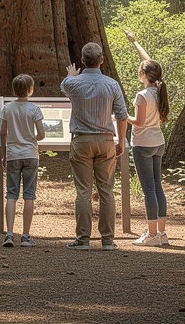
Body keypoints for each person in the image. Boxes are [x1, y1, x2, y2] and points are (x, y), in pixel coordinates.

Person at [60, 41, 128, 250]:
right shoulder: (112, 84)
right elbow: (122, 116)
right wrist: (121, 141)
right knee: (106, 190)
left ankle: (82, 239)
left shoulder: (73, 84)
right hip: (106, 140)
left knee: (83, 191)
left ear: (82, 60)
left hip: (81, 140)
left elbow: (65, 85)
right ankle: (107, 239)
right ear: (102, 60)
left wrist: (72, 74)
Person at [124, 29, 170, 246]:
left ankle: (151, 235)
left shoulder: (142, 96)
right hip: (158, 142)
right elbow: (150, 63)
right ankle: (161, 233)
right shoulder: (159, 90)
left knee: (148, 189)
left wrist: (123, 116)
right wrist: (135, 42)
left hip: (142, 144)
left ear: (143, 75)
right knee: (158, 187)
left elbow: (139, 122)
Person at [0, 73, 46, 248]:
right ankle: (25, 235)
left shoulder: (7, 108)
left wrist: (4, 154)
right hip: (30, 155)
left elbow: (3, 133)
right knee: (29, 195)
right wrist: (33, 138)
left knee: (11, 194)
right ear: (30, 90)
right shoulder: (34, 109)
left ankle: (9, 234)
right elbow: (41, 134)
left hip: (12, 154)